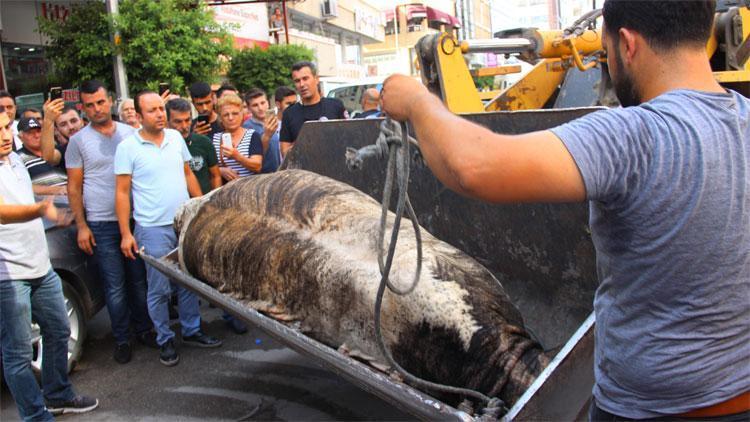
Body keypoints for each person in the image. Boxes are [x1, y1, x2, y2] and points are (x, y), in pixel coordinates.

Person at [381, 0, 749, 419]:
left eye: (606, 51)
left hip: (650, 410)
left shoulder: (632, 137)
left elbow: (473, 166)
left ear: (627, 45)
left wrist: (416, 102)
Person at [0, 112, 99, 421]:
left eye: (6, 127)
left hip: (40, 267)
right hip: (9, 276)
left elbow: (44, 156)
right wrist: (40, 209)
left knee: (57, 330)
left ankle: (57, 394)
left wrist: (48, 121)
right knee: (17, 355)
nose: (6, 135)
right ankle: (34, 415)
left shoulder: (13, 160)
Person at [115, 91, 222, 367]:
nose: (160, 114)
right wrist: (126, 234)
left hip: (182, 222)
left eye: (161, 109)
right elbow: (122, 192)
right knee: (159, 289)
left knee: (188, 281)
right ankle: (164, 340)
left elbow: (188, 174)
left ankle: (191, 330)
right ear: (138, 117)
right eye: (152, 110)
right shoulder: (128, 147)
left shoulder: (175, 138)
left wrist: (200, 210)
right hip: (152, 228)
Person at [64, 80, 156, 364]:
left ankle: (145, 329)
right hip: (101, 224)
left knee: (139, 280)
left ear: (110, 101)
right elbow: (73, 187)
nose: (96, 109)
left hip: (134, 217)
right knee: (114, 284)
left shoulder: (131, 133)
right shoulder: (78, 141)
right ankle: (122, 338)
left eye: (100, 102)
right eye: (89, 105)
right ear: (83, 107)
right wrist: (82, 225)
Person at [279, 61, 347, 157]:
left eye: (305, 78)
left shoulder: (335, 106)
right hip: (303, 170)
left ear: (316, 79)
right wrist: (301, 143)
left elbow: (348, 139)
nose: (302, 84)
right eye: (297, 81)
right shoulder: (289, 114)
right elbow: (284, 153)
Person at [166, 98, 222, 195]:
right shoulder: (162, 147)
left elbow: (216, 176)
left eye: (187, 120)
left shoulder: (204, 142)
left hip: (203, 204)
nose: (184, 126)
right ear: (167, 121)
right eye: (178, 122)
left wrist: (214, 201)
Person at [213, 93, 263, 182]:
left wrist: (237, 156)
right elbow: (208, 168)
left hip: (248, 189)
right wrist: (220, 171)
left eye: (235, 113)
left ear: (242, 115)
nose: (231, 118)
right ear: (220, 118)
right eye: (226, 115)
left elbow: (257, 166)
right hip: (224, 192)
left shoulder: (252, 135)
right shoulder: (214, 139)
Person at [15, 117, 67, 196]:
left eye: (38, 131)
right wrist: (56, 189)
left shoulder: (56, 151)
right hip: (48, 202)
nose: (36, 135)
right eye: (30, 133)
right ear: (20, 137)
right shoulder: (17, 158)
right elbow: (20, 186)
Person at [242, 88, 281, 173]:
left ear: (268, 103)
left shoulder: (273, 121)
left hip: (278, 172)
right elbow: (253, 157)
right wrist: (266, 135)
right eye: (255, 105)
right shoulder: (247, 127)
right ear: (249, 108)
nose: (260, 108)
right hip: (261, 176)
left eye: (263, 103)